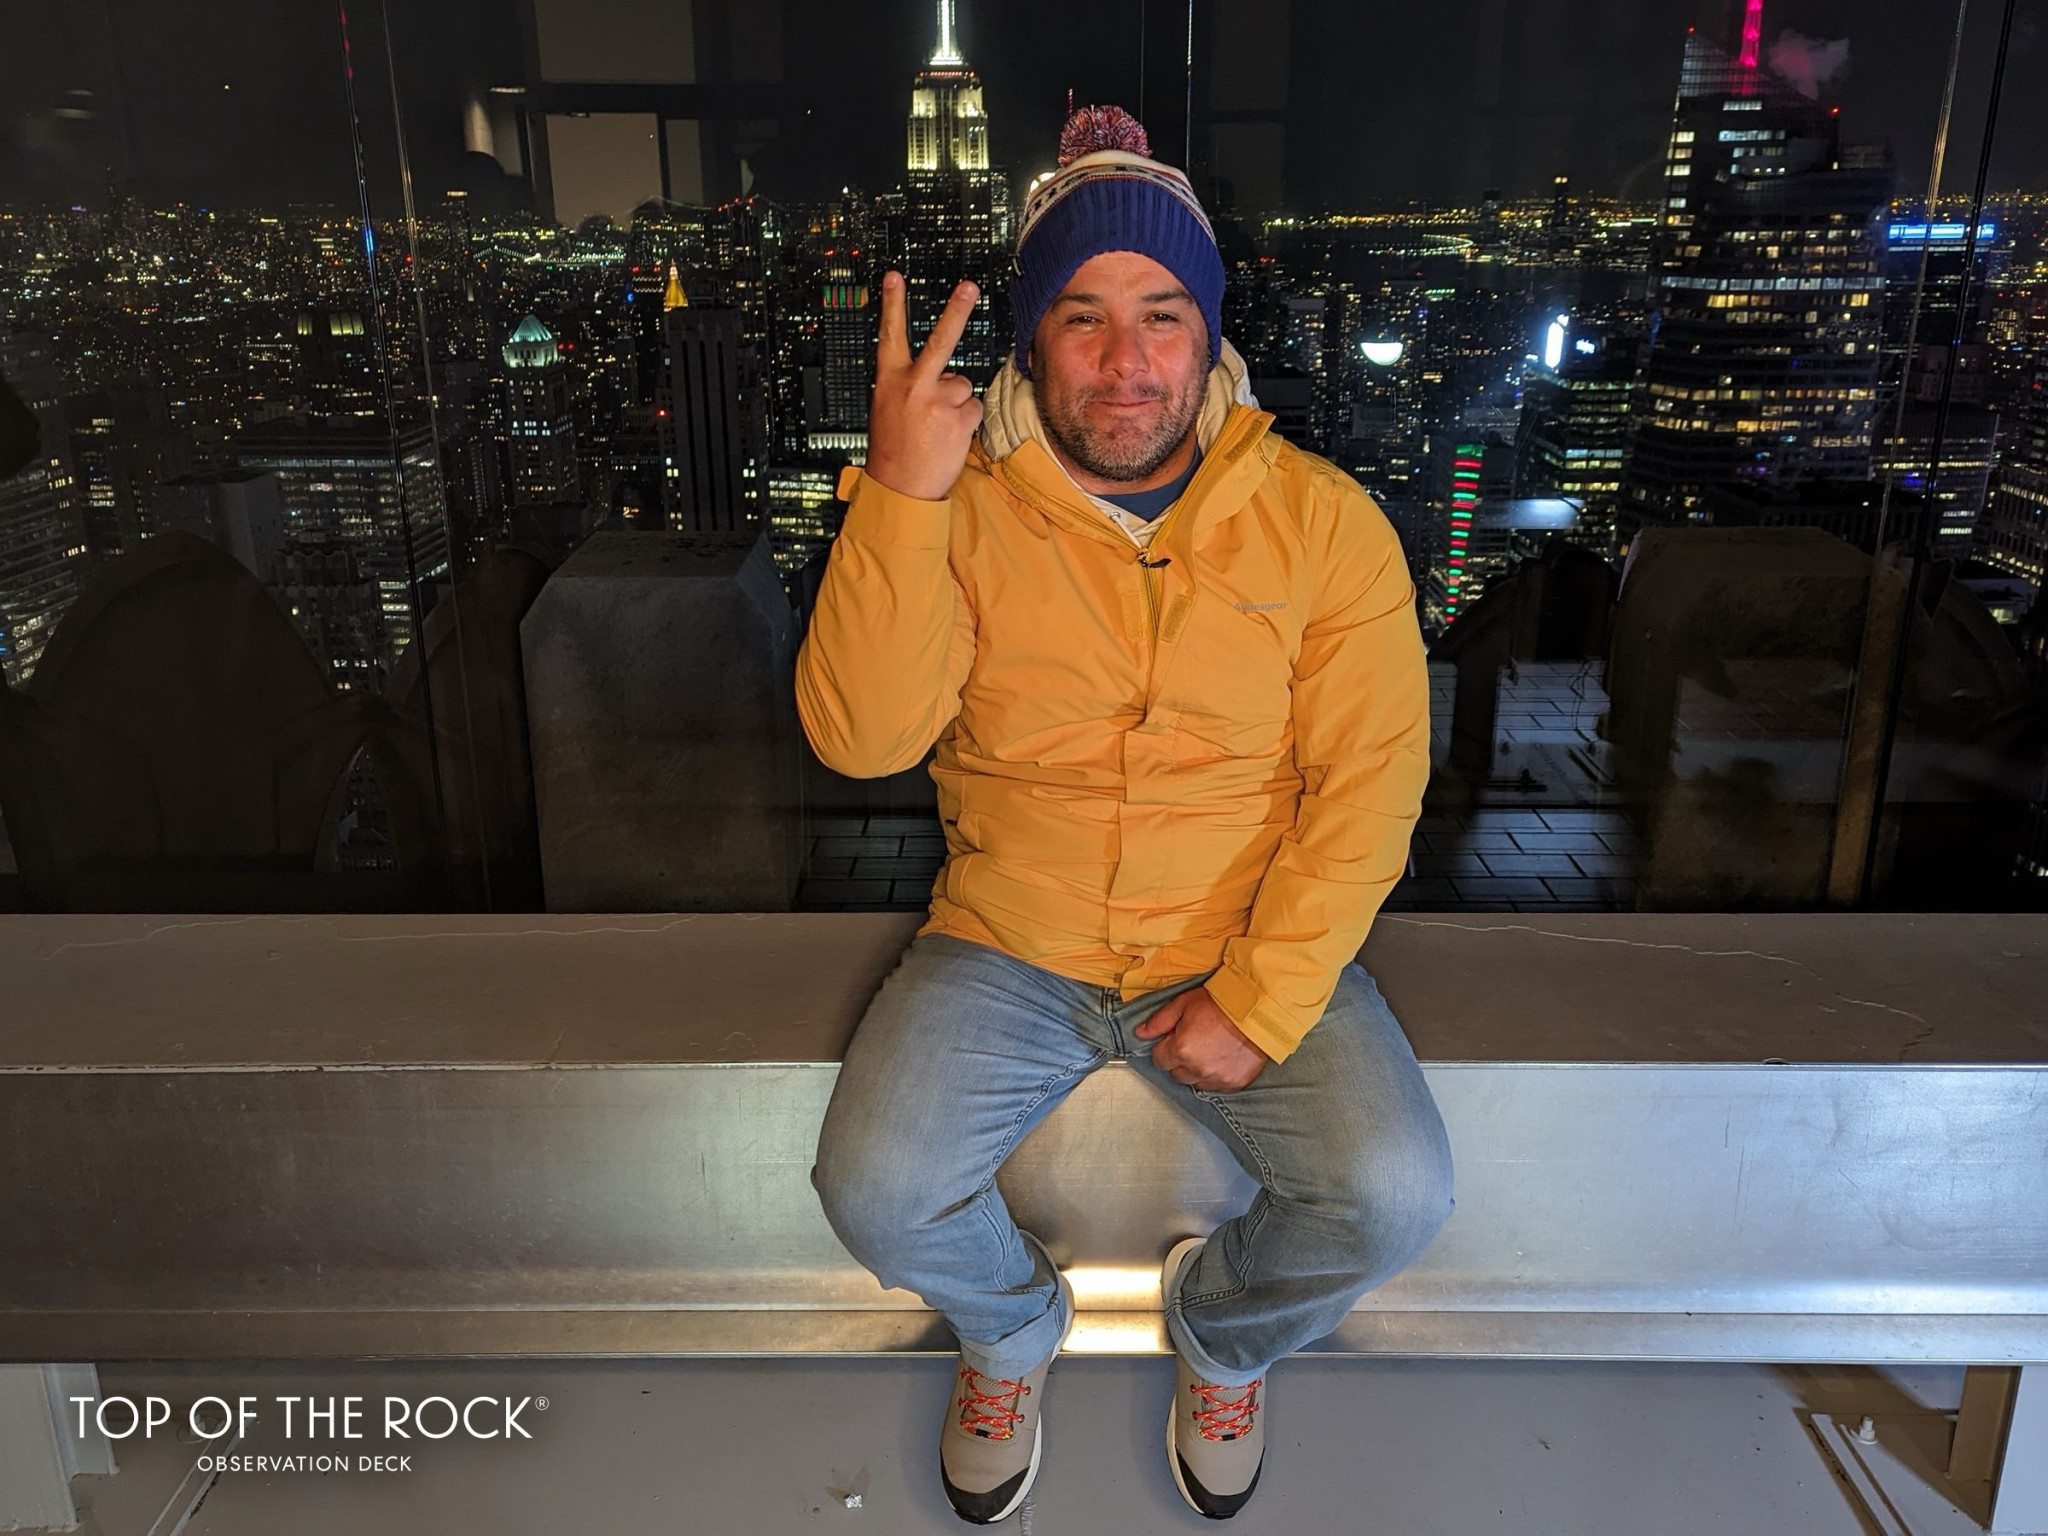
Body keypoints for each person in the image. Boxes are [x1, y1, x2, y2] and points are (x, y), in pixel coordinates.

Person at [796, 105, 1454, 1524]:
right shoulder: (961, 507)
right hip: (1009, 938)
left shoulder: (1323, 523)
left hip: (1237, 929)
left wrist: (1263, 996)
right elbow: (863, 738)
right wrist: (900, 496)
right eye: (1082, 316)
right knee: (878, 1190)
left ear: (1208, 335)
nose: (1125, 358)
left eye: (1161, 314)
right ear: (1032, 340)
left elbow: (1372, 783)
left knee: (1394, 1194)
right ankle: (1011, 1332)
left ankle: (1223, 1337)